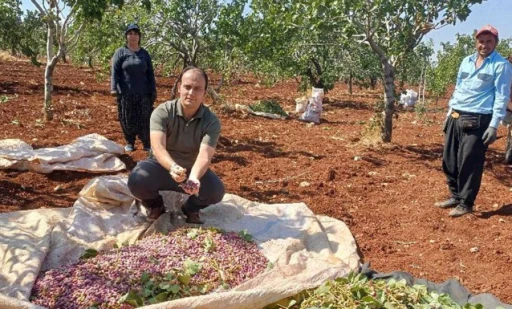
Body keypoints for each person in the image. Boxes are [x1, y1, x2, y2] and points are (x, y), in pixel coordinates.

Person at [127, 66, 225, 224]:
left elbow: (205, 155)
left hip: (191, 169)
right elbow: (158, 147)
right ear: (179, 88)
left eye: (197, 89)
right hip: (162, 166)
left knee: (216, 191)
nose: (191, 93)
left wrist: (194, 177)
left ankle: (191, 208)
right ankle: (156, 205)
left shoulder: (211, 121)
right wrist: (172, 167)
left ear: (204, 94)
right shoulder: (163, 112)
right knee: (137, 180)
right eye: (187, 87)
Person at [435, 25, 512, 217]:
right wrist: (449, 113)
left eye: (489, 41)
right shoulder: (466, 61)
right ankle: (455, 195)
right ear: (476, 42)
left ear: (495, 43)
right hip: (456, 115)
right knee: (449, 160)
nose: (484, 45)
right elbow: (458, 88)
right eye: (481, 41)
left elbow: (501, 97)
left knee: (470, 161)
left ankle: (466, 202)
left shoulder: (501, 65)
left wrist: (494, 125)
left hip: (479, 119)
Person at [111, 23, 156, 152]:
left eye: (136, 33)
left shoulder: (144, 54)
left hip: (143, 92)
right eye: (130, 33)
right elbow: (114, 71)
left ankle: (146, 143)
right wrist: (113, 88)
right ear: (126, 36)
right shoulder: (120, 52)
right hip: (126, 92)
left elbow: (150, 73)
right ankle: (130, 142)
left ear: (139, 37)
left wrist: (153, 90)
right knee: (127, 118)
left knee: (145, 118)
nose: (133, 36)